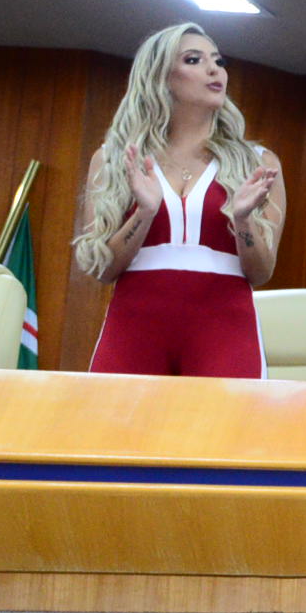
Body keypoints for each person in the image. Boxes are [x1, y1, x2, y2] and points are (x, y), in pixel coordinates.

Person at [75, 21, 282, 378]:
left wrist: (243, 220)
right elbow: (104, 270)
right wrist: (144, 213)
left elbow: (261, 272)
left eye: (218, 60)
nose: (214, 69)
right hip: (134, 330)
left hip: (225, 330)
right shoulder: (114, 159)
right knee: (115, 416)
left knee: (227, 417)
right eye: (193, 60)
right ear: (161, 77)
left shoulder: (258, 163)